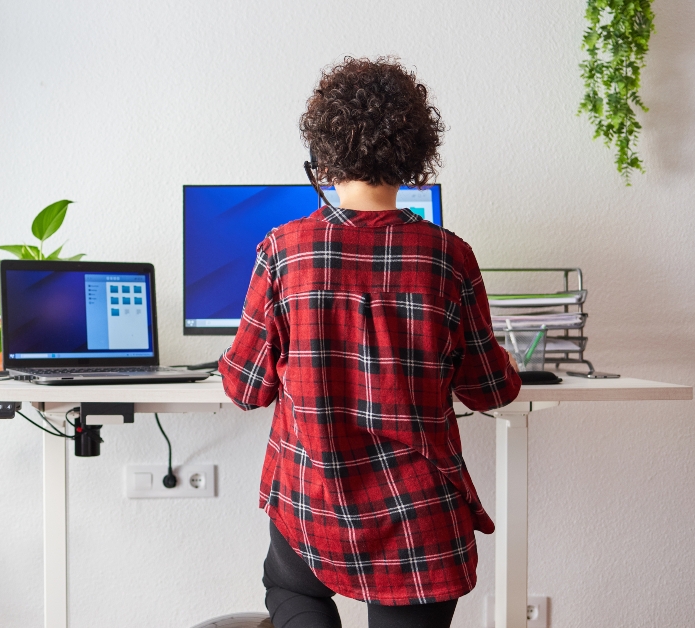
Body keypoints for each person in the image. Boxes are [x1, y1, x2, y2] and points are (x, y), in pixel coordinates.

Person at [218, 57, 522, 628]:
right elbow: (491, 391)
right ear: (413, 155)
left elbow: (246, 388)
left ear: (323, 157)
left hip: (314, 505)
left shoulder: (284, 251)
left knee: (293, 592)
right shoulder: (449, 256)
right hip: (418, 522)